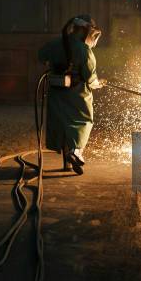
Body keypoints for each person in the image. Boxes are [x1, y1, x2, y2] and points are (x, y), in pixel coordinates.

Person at [38, 15, 105, 175]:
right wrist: (99, 83)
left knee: (61, 122)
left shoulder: (54, 44)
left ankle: (67, 160)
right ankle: (75, 152)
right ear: (84, 30)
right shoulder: (84, 51)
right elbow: (90, 78)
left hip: (56, 92)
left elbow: (41, 56)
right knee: (82, 122)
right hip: (78, 95)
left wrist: (55, 66)